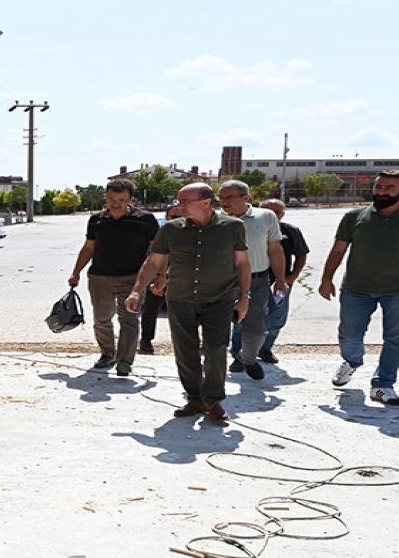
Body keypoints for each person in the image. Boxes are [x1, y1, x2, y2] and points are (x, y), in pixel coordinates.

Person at [126, 183, 250, 424]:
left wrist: (244, 297)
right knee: (185, 351)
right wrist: (136, 292)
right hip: (181, 298)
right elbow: (153, 262)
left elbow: (242, 263)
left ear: (205, 202)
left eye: (185, 201)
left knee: (215, 349)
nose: (178, 205)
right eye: (178, 201)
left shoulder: (233, 227)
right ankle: (195, 398)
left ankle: (213, 400)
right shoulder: (171, 230)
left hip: (219, 299)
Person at [318, 170, 399, 406]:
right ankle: (352, 361)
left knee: (396, 338)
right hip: (356, 288)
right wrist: (327, 279)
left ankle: (383, 384)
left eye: (389, 188)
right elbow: (338, 250)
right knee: (349, 335)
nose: (381, 192)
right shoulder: (354, 216)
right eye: (378, 187)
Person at [68, 178, 159, 376]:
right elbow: (89, 248)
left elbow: (158, 251)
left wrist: (160, 276)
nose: (115, 204)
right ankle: (107, 354)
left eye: (121, 199)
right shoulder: (97, 220)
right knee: (101, 319)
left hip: (132, 278)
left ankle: (125, 360)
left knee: (129, 320)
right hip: (100, 278)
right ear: (106, 198)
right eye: (111, 199)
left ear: (131, 200)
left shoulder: (145, 219)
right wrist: (76, 272)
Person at [219, 181, 288, 381]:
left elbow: (275, 250)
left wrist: (281, 281)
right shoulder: (214, 218)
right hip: (222, 280)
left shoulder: (265, 216)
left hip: (257, 280)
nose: (224, 202)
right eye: (221, 198)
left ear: (245, 198)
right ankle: (216, 365)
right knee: (217, 326)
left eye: (230, 197)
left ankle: (248, 358)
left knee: (257, 328)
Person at [250, 199, 309, 363]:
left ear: (282, 214)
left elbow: (301, 254)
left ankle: (265, 349)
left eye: (276, 212)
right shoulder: (248, 228)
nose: (271, 216)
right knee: (246, 318)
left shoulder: (290, 231)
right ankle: (240, 353)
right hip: (253, 280)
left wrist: (292, 277)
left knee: (276, 319)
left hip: (280, 282)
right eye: (266, 211)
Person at [138, 203, 185, 355]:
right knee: (151, 309)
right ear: (167, 217)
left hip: (184, 279)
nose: (178, 220)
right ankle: (146, 341)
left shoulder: (195, 234)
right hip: (159, 277)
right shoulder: (159, 235)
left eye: (181, 216)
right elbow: (151, 258)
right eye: (174, 217)